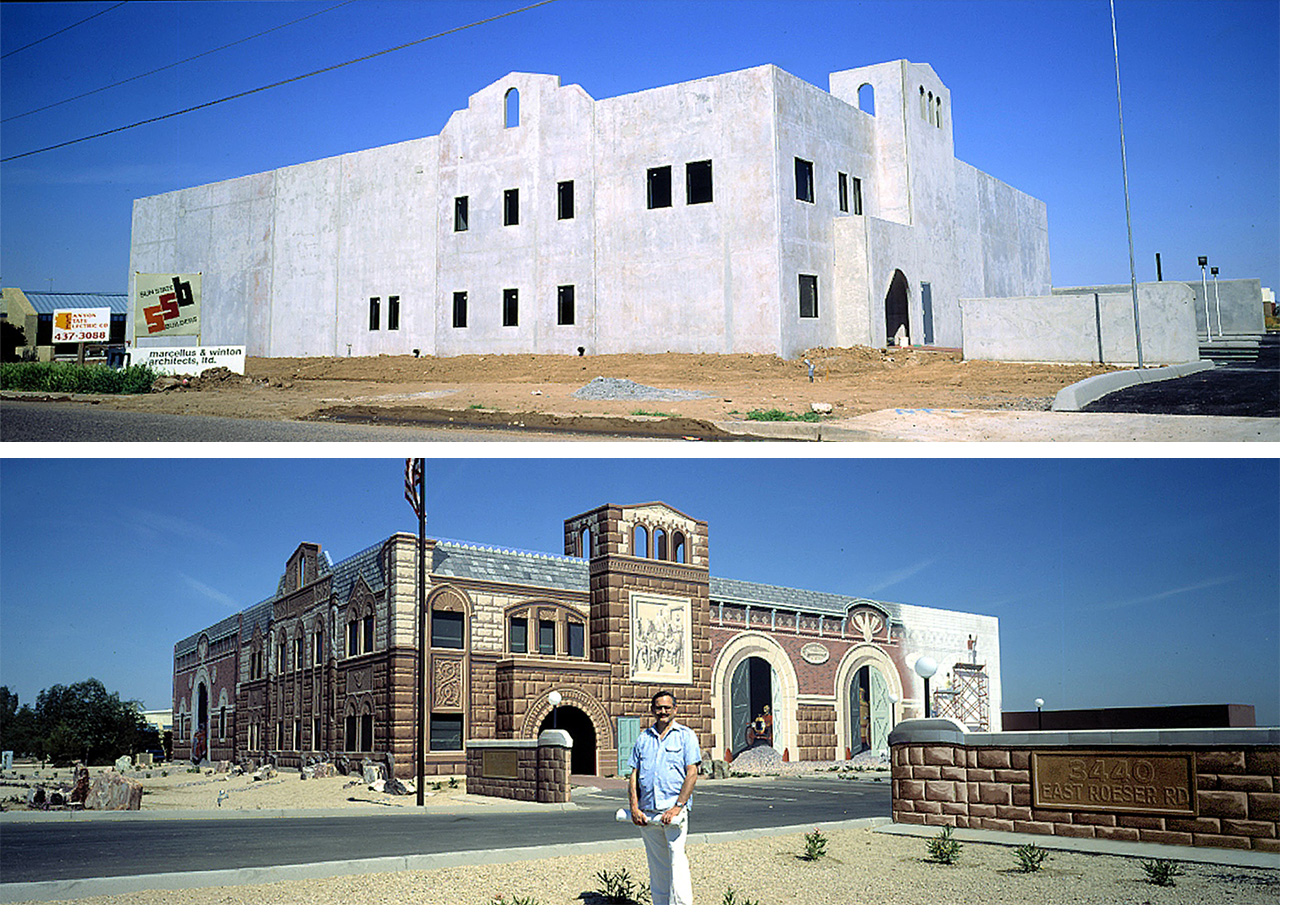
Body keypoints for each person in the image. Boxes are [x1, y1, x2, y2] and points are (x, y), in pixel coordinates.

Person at [627, 690, 700, 905]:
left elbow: (692, 773)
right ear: (652, 710)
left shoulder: (686, 736)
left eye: (667, 707)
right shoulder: (643, 738)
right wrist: (634, 807)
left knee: (677, 861)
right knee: (657, 865)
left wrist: (677, 807)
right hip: (647, 813)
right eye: (658, 707)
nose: (663, 711)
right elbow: (633, 774)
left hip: (673, 813)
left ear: (675, 709)